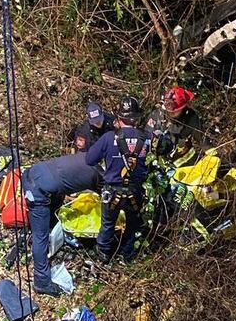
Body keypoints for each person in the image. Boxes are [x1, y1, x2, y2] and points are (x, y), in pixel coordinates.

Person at [23, 152, 103, 296]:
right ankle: (41, 281)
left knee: (53, 213)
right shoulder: (100, 176)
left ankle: (50, 237)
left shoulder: (88, 156)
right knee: (40, 236)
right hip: (37, 190)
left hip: (37, 173)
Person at [86, 96, 152, 263]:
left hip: (111, 191)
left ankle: (103, 255)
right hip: (135, 192)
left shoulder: (108, 138)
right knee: (132, 225)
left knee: (107, 224)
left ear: (118, 118)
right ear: (136, 118)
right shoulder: (147, 138)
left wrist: (105, 169)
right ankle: (127, 255)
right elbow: (167, 147)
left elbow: (89, 160)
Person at [144, 85, 205, 167]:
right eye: (169, 111)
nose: (171, 113)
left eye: (175, 111)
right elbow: (146, 140)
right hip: (156, 160)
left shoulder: (191, 118)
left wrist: (211, 153)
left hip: (181, 160)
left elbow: (202, 139)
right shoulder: (157, 116)